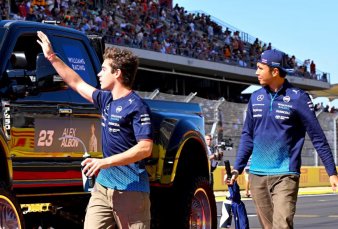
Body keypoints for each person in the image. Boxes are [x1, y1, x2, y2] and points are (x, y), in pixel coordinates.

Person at [37, 31, 153, 229]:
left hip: (131, 190)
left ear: (117, 73)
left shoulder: (137, 106)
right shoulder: (106, 99)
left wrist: (104, 162)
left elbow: (145, 149)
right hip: (103, 188)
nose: (98, 74)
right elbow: (76, 82)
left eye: (103, 69)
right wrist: (51, 56)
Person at [225, 49, 338, 229]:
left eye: (260, 68)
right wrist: (237, 168)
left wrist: (331, 172)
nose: (256, 72)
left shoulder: (298, 97)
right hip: (257, 175)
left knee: (281, 226)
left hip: (285, 174)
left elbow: (317, 136)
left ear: (275, 71)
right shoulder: (255, 98)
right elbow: (247, 136)